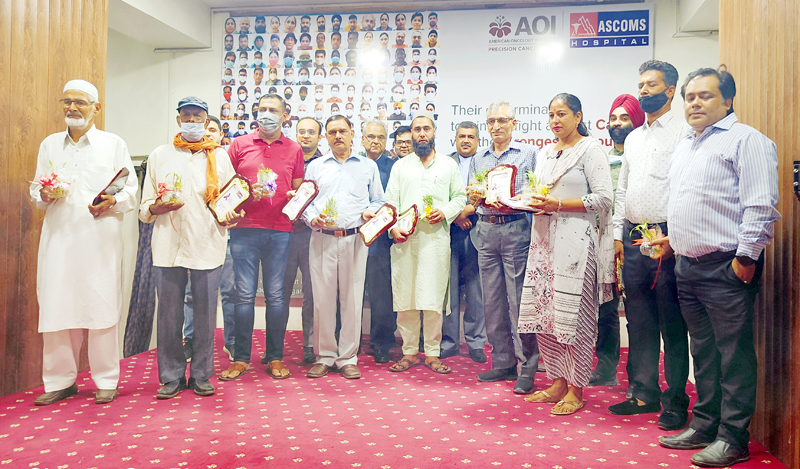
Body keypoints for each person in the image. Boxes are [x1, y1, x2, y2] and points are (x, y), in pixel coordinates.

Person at [656, 67, 780, 468]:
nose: (693, 103)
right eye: (689, 97)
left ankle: (733, 438)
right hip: (687, 267)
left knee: (733, 355)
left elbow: (760, 205)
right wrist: (673, 242)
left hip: (726, 268)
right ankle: (705, 424)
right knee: (704, 352)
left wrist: (745, 259)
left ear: (727, 100)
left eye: (704, 96)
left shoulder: (747, 141)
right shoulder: (688, 145)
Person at [30, 80, 137, 406]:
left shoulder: (113, 144)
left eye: (80, 102)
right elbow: (37, 190)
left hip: (99, 242)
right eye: (67, 101)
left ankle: (106, 380)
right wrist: (44, 194)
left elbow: (130, 190)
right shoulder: (50, 144)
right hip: (59, 240)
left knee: (102, 308)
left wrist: (111, 204)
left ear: (96, 108)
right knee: (57, 307)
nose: (72, 108)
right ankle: (60, 381)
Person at [608, 61, 691, 433]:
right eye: (640, 85)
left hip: (667, 237)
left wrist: (675, 235)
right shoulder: (636, 137)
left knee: (672, 323)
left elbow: (685, 189)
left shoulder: (686, 133)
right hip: (632, 233)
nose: (643, 91)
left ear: (670, 90)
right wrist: (615, 236)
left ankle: (675, 401)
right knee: (639, 320)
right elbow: (622, 188)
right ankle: (643, 394)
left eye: (651, 85)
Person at [520, 93, 614, 415]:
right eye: (551, 115)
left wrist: (558, 205)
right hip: (545, 242)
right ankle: (558, 381)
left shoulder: (591, 149)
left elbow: (603, 198)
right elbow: (540, 192)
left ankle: (576, 388)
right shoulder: (546, 152)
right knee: (547, 316)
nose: (555, 121)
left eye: (562, 114)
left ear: (578, 116)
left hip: (577, 245)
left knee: (576, 318)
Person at [141, 97, 240, 399]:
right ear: (178, 120)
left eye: (198, 116)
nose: (193, 121)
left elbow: (229, 197)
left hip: (207, 241)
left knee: (205, 312)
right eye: (187, 116)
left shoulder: (219, 157)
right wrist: (157, 207)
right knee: (169, 314)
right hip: (168, 244)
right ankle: (171, 376)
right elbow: (145, 206)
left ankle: (201, 374)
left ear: (206, 119)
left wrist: (232, 214)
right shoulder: (160, 155)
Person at [220, 94, 305, 382]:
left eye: (273, 110)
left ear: (285, 116)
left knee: (276, 296)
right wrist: (245, 193)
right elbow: (226, 186)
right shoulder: (239, 144)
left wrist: (294, 197)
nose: (267, 115)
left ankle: (275, 357)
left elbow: (298, 190)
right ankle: (242, 358)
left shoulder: (294, 149)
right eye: (262, 110)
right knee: (243, 295)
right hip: (244, 228)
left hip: (279, 230)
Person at [301, 115, 385, 379]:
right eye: (332, 132)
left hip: (355, 239)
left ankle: (348, 357)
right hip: (322, 237)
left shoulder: (367, 166)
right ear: (325, 136)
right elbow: (306, 200)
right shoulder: (315, 166)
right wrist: (311, 217)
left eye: (342, 131)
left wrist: (371, 213)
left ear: (352, 134)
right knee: (323, 299)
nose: (337, 136)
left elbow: (378, 200)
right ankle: (325, 356)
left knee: (352, 298)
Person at [386, 111, 467, 374]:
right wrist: (394, 229)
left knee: (432, 298)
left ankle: (432, 352)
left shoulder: (448, 165)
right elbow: (391, 204)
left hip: (435, 240)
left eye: (426, 129)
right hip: (405, 241)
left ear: (434, 132)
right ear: (411, 134)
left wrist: (444, 212)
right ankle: (409, 351)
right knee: (406, 297)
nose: (422, 133)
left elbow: (460, 198)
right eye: (417, 129)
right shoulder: (400, 166)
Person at [469, 101, 539, 395]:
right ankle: (502, 361)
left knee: (519, 300)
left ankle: (527, 367)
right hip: (486, 230)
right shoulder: (478, 157)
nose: (495, 126)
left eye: (501, 120)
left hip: (516, 228)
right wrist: (476, 196)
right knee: (493, 301)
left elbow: (536, 192)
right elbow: (473, 193)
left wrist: (510, 200)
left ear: (514, 123)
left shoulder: (528, 154)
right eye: (490, 122)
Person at [588, 94, 645, 389]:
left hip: (636, 242)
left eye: (624, 118)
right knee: (605, 309)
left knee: (638, 312)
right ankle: (606, 367)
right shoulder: (601, 157)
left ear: (636, 121)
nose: (617, 124)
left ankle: (639, 374)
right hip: (603, 242)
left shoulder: (644, 157)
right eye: (613, 118)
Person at [180, 116, 237, 363]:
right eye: (206, 129)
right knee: (192, 293)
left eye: (213, 129)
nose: (209, 133)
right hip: (196, 236)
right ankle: (191, 341)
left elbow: (235, 195)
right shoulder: (188, 161)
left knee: (230, 292)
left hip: (225, 235)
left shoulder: (224, 160)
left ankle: (232, 342)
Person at [441, 121, 486, 363]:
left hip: (478, 232)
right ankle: (449, 341)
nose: (466, 140)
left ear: (478, 140)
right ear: (455, 140)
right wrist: (456, 216)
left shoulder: (485, 163)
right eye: (461, 136)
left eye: (470, 136)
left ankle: (476, 343)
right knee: (449, 291)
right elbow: (438, 195)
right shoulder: (444, 163)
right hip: (448, 232)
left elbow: (490, 194)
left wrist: (467, 213)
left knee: (476, 291)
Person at [283, 117, 324, 365]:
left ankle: (310, 344)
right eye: (302, 132)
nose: (306, 136)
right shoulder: (286, 158)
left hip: (313, 235)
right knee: (280, 293)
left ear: (320, 136)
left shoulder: (325, 164)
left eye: (311, 132)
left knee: (312, 293)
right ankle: (275, 344)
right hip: (285, 234)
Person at [357, 119, 397, 364]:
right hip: (353, 239)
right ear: (362, 139)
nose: (375, 141)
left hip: (382, 242)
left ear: (386, 140)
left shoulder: (395, 167)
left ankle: (382, 343)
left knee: (382, 297)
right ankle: (346, 339)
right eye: (370, 136)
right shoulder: (353, 165)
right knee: (349, 294)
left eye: (380, 137)